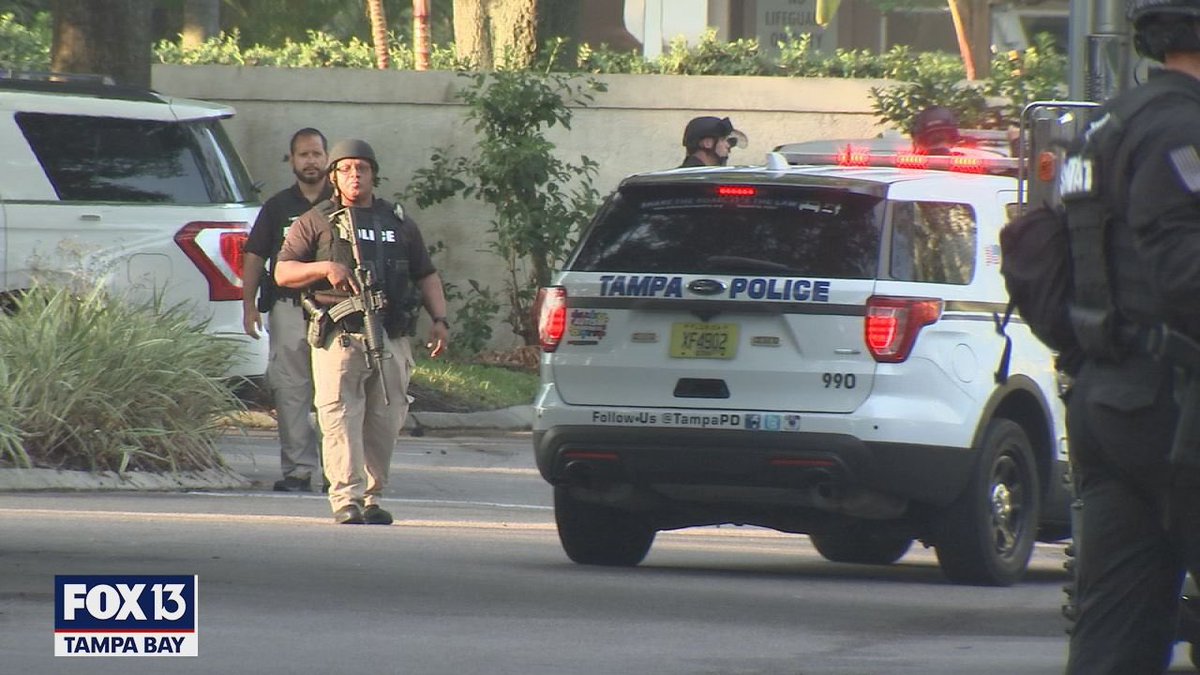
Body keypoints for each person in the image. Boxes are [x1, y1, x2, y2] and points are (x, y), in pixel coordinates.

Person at [1062, 1, 1200, 672]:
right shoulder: (1183, 130)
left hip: (1114, 398)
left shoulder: (1112, 122)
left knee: (1116, 633)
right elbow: (1186, 274)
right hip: (1176, 410)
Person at [274, 139, 450, 525]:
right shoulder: (316, 220)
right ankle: (345, 499)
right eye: (347, 168)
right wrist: (325, 270)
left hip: (392, 334)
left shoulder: (398, 221)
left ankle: (372, 496)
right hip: (341, 333)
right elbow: (283, 271)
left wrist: (440, 319)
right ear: (334, 175)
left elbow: (426, 274)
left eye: (362, 168)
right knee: (338, 415)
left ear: (374, 173)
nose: (355, 175)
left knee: (385, 416)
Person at [242, 127, 331, 493]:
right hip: (287, 307)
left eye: (316, 154)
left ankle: (336, 471)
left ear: (327, 158)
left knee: (335, 392)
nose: (310, 161)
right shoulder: (278, 207)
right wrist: (248, 305)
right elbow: (254, 255)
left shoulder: (345, 204)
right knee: (291, 389)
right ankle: (297, 470)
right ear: (292, 160)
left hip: (335, 311)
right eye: (303, 154)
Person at [680, 115, 747, 167]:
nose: (728, 145)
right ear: (707, 143)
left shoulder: (702, 175)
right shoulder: (696, 178)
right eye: (723, 139)